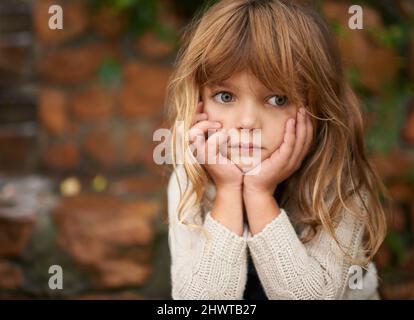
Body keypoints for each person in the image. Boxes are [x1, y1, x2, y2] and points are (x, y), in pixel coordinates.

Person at [164, 0, 387, 300]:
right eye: (225, 95)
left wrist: (258, 195)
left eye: (277, 100)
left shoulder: (337, 184)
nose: (246, 122)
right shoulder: (190, 180)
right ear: (199, 100)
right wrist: (229, 191)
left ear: (317, 108)